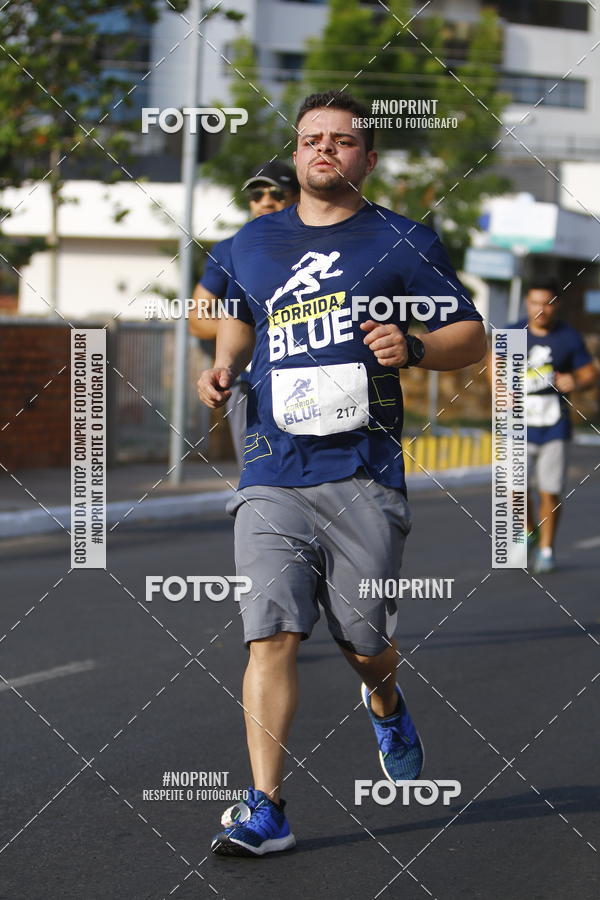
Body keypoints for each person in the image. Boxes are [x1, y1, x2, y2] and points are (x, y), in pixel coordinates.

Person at [197, 90, 486, 857]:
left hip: (364, 469)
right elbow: (235, 307)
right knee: (271, 636)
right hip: (270, 469)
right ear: (295, 155)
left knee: (363, 639)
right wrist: (226, 363)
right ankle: (267, 807)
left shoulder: (402, 240)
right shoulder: (253, 242)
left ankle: (385, 700)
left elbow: (471, 334)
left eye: (342, 140)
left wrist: (417, 348)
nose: (324, 149)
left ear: (368, 157)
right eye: (311, 139)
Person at [189, 162, 299, 465]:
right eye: (256, 194)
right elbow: (197, 319)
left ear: (297, 195)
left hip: (310, 374)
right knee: (256, 475)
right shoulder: (231, 249)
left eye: (276, 192)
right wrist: (255, 328)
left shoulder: (318, 243)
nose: (265, 201)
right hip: (251, 382)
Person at [509, 281, 596, 573]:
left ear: (556, 305)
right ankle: (529, 531)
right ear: (526, 303)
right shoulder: (513, 333)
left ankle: (546, 549)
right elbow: (494, 363)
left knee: (549, 491)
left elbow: (589, 372)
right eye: (535, 303)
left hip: (554, 427)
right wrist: (500, 389)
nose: (540, 310)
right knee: (515, 489)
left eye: (547, 303)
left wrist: (578, 381)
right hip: (519, 426)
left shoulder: (568, 338)